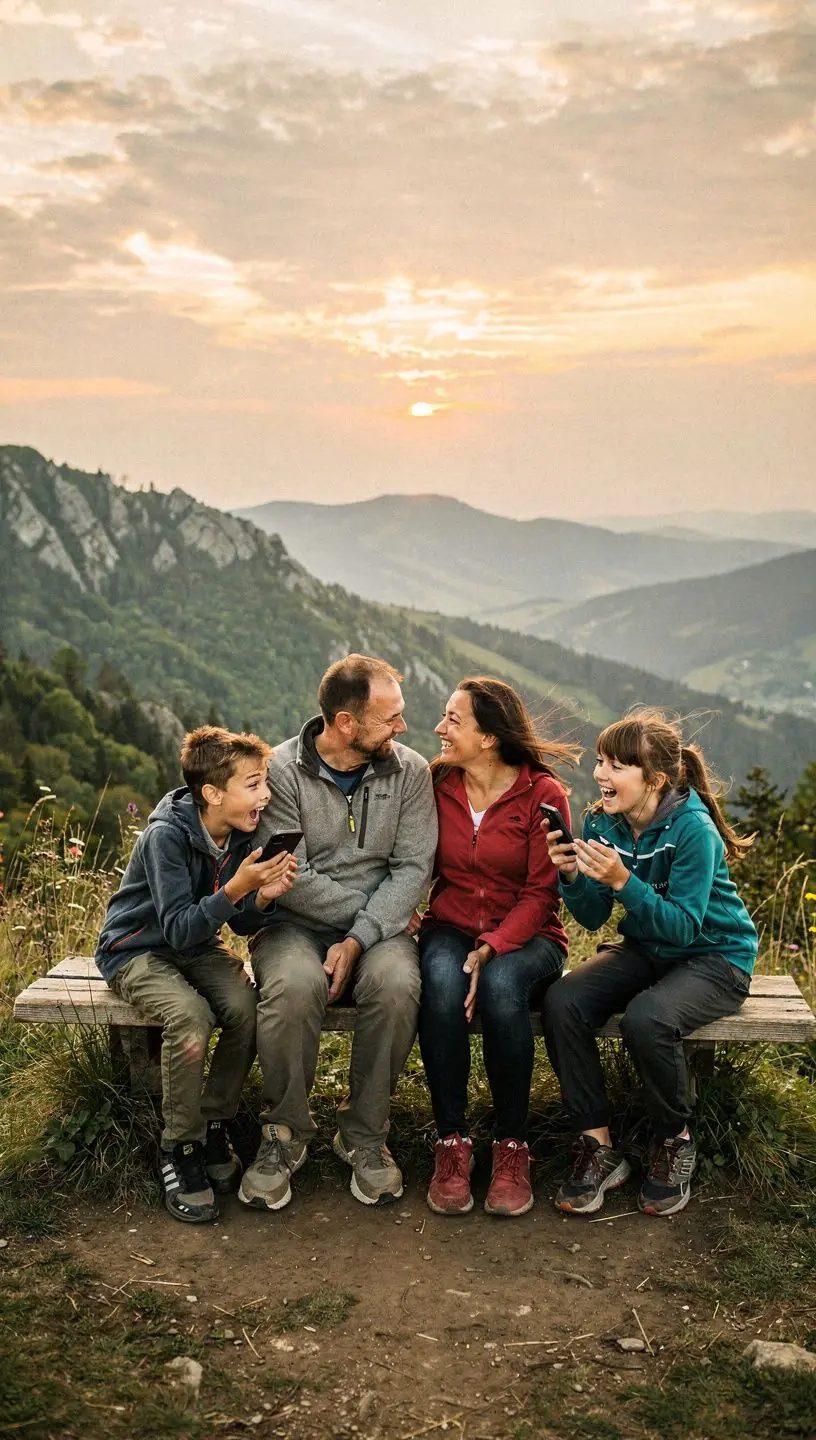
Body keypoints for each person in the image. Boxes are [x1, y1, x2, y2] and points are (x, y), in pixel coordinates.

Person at [542, 708, 757, 1219]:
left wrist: (624, 882)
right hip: (648, 949)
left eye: (617, 766)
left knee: (648, 1017)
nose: (601, 775)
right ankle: (598, 1146)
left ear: (655, 779)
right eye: (600, 761)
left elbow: (684, 925)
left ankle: (673, 1139)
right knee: (563, 1001)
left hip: (716, 957)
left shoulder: (692, 829)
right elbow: (593, 917)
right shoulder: (601, 821)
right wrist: (571, 876)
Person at [243, 655, 437, 1211]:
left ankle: (364, 1137)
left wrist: (360, 937)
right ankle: (284, 1134)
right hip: (293, 924)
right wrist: (362, 918)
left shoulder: (410, 772)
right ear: (346, 722)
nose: (402, 728)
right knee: (293, 989)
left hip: (380, 930)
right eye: (391, 717)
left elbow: (413, 868)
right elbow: (289, 875)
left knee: (398, 985)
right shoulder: (278, 772)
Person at [96, 726, 297, 1224]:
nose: (265, 794)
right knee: (189, 1017)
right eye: (252, 784)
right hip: (137, 951)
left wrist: (263, 897)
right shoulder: (165, 837)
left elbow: (241, 921)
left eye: (265, 781)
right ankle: (179, 1147)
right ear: (212, 793)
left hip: (194, 946)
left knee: (247, 1008)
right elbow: (179, 928)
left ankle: (212, 1124)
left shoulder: (242, 834)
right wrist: (234, 890)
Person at [417, 677, 579, 1218]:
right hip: (450, 926)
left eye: (453, 721)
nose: (440, 729)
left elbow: (540, 893)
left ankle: (512, 1147)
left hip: (530, 936)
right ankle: (452, 1144)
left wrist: (492, 947)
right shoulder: (436, 784)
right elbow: (415, 862)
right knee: (441, 986)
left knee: (503, 989)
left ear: (488, 737)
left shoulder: (542, 794)